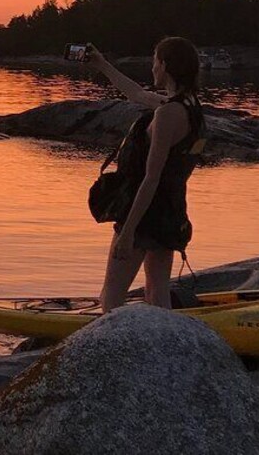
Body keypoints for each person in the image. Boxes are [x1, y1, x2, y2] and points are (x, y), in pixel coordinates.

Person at [85, 37, 206, 313]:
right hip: (169, 212)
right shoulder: (188, 106)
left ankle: (116, 350)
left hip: (144, 214)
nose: (152, 68)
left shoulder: (167, 115)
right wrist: (103, 65)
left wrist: (128, 233)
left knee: (111, 297)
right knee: (157, 291)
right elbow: (138, 95)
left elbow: (151, 177)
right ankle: (162, 344)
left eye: (154, 61)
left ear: (164, 65)